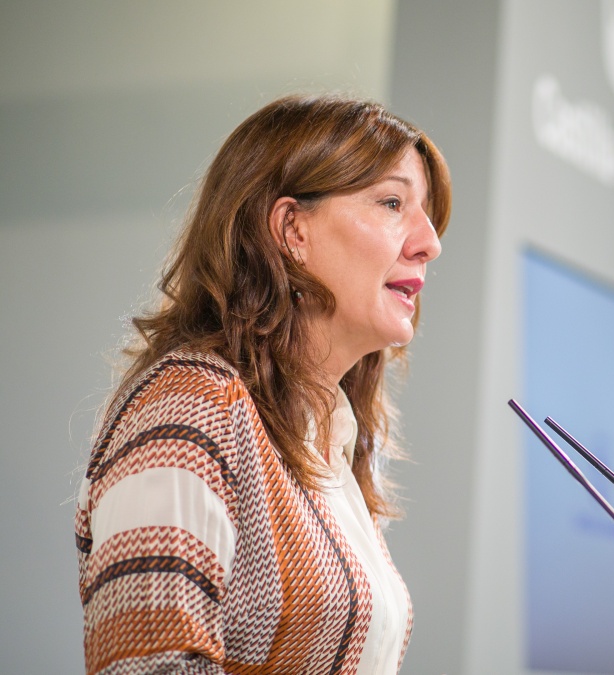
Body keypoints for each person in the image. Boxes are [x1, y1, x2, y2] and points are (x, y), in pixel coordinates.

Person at [74, 94, 450, 674]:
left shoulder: (331, 437)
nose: (430, 242)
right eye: (393, 202)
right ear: (292, 229)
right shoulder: (191, 407)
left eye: (427, 214)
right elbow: (147, 666)